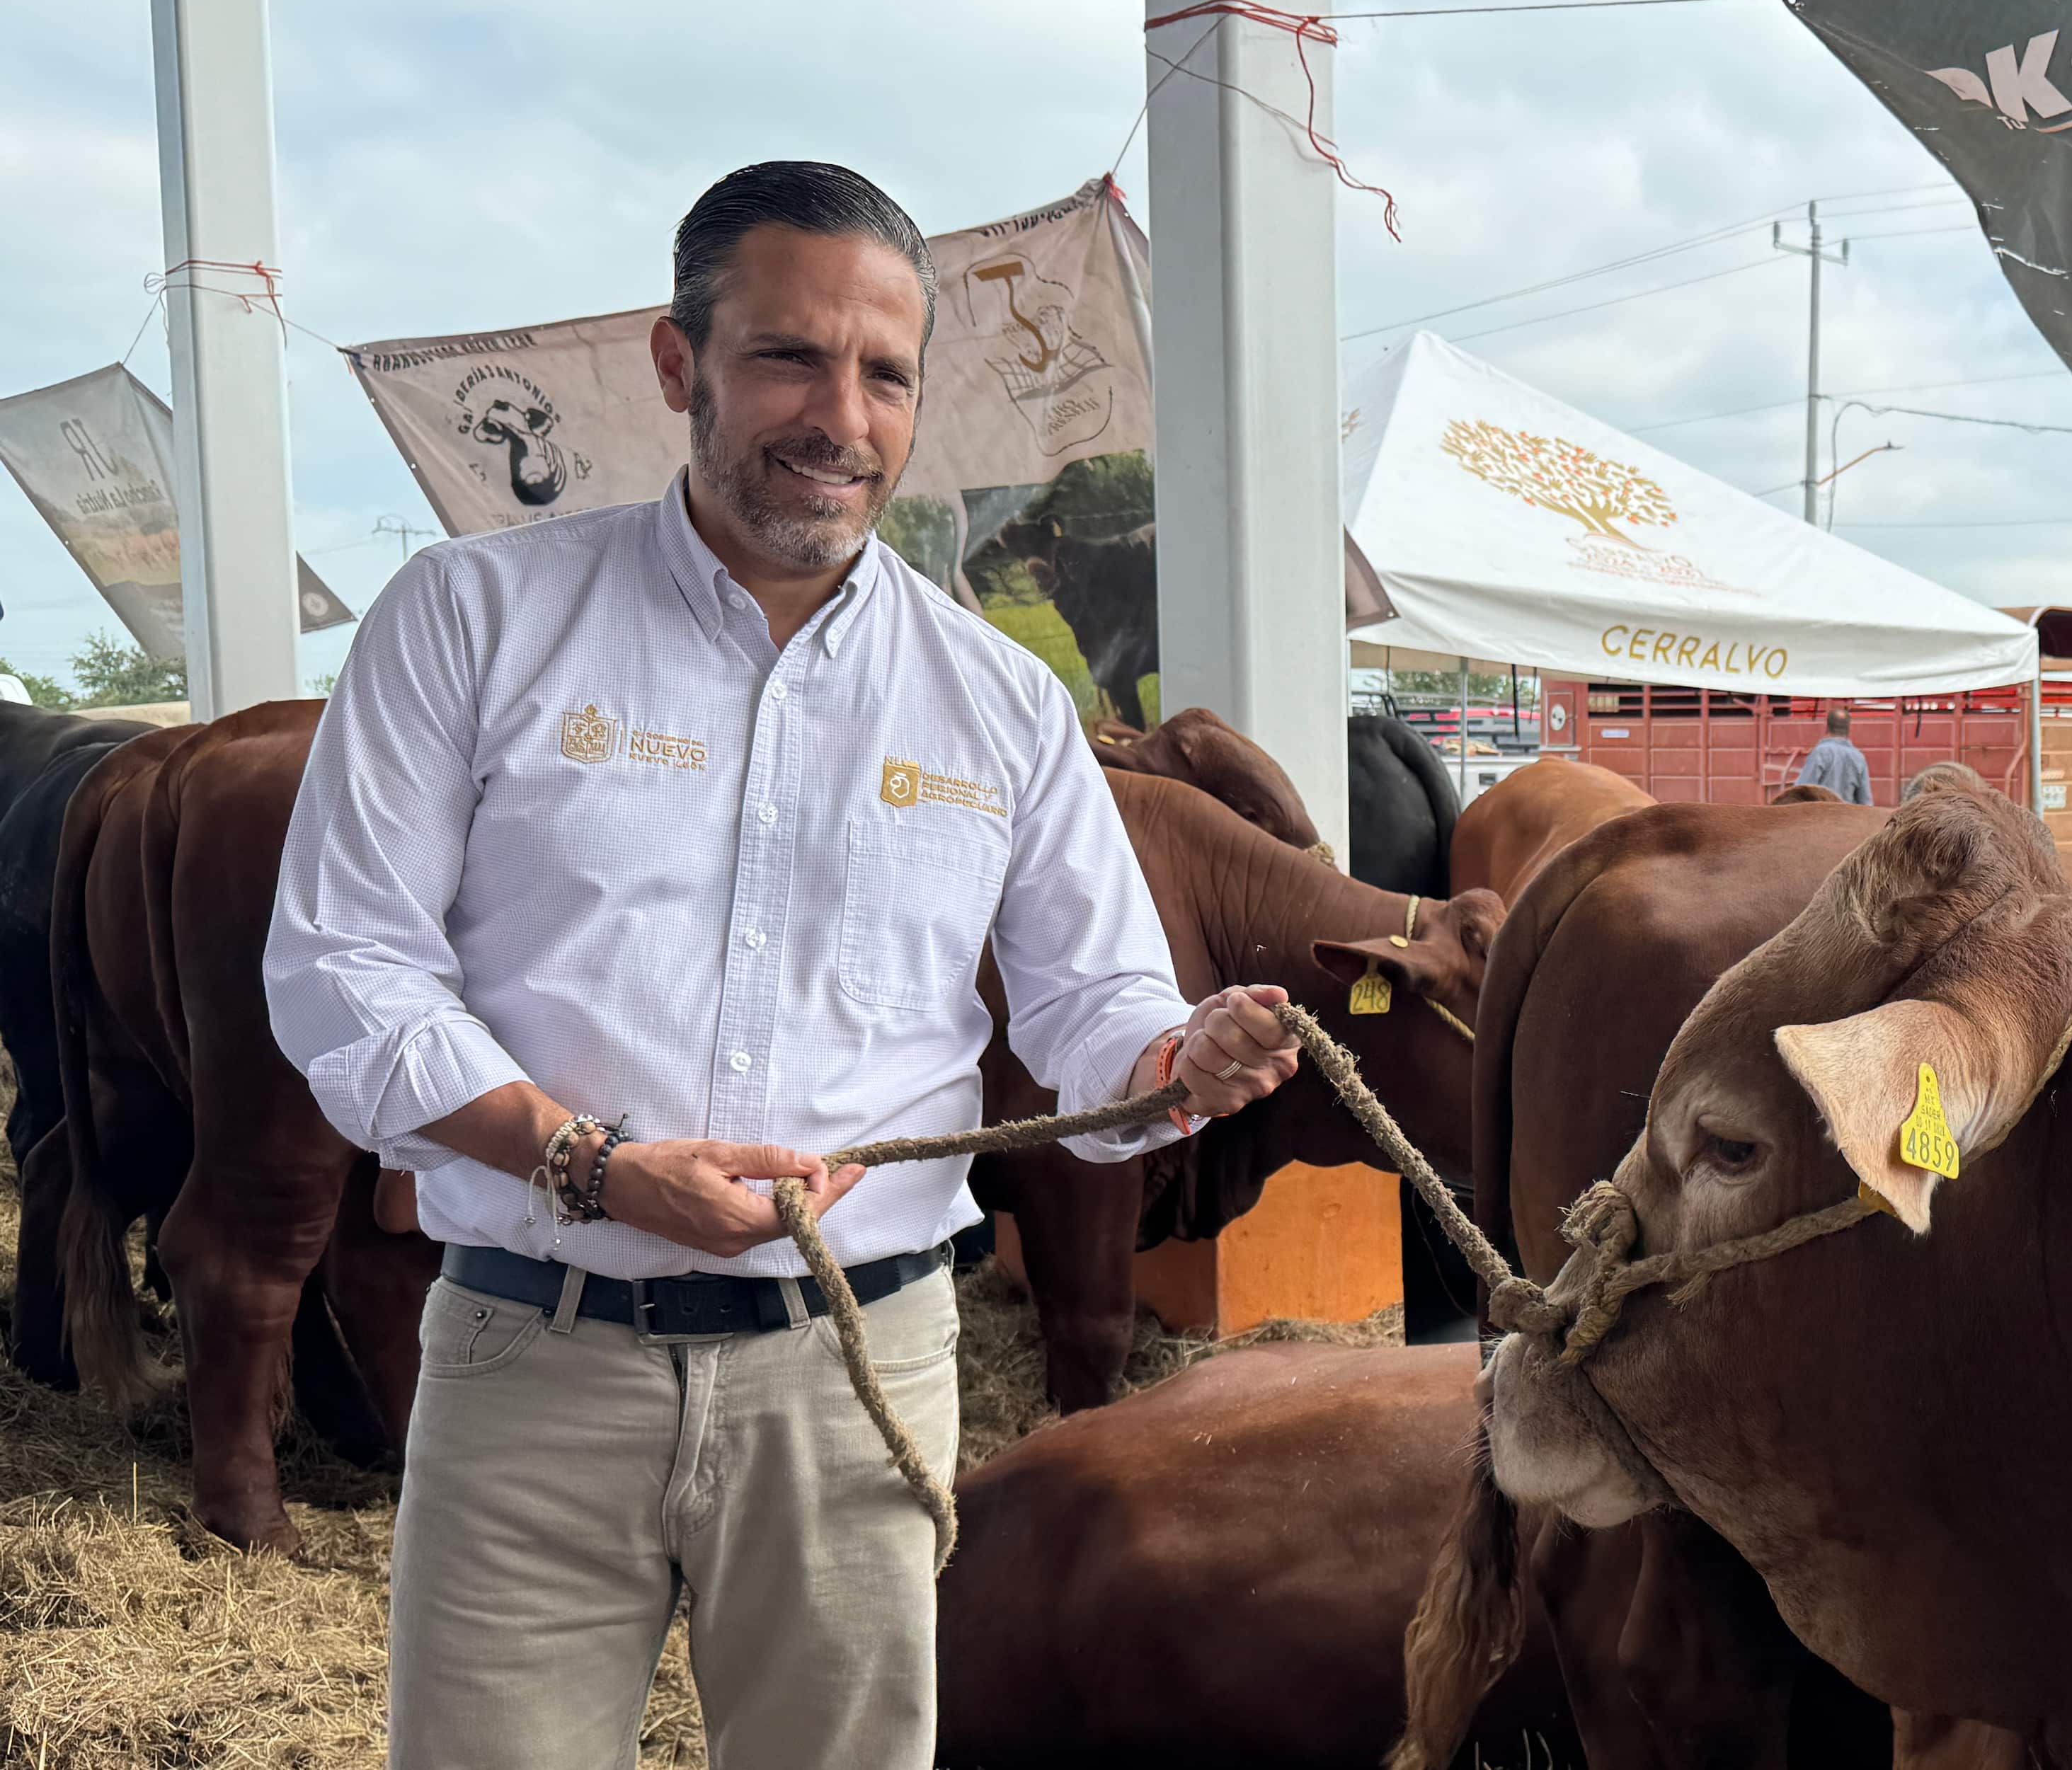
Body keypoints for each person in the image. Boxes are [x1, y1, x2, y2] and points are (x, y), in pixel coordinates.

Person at [265, 161, 1302, 1770]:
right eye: (786, 358)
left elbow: (1096, 1011)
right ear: (677, 364)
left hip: (856, 1364)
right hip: (533, 1351)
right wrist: (596, 1166)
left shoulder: (998, 699)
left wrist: (1174, 1061)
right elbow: (344, 968)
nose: (842, 414)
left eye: (884, 372)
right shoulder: (473, 617)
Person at [1793, 706, 1872, 805]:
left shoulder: (1820, 753)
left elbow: (1801, 791)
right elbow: (1865, 801)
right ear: (1848, 729)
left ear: (1827, 728)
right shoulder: (1859, 757)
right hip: (1848, 817)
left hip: (1822, 816)